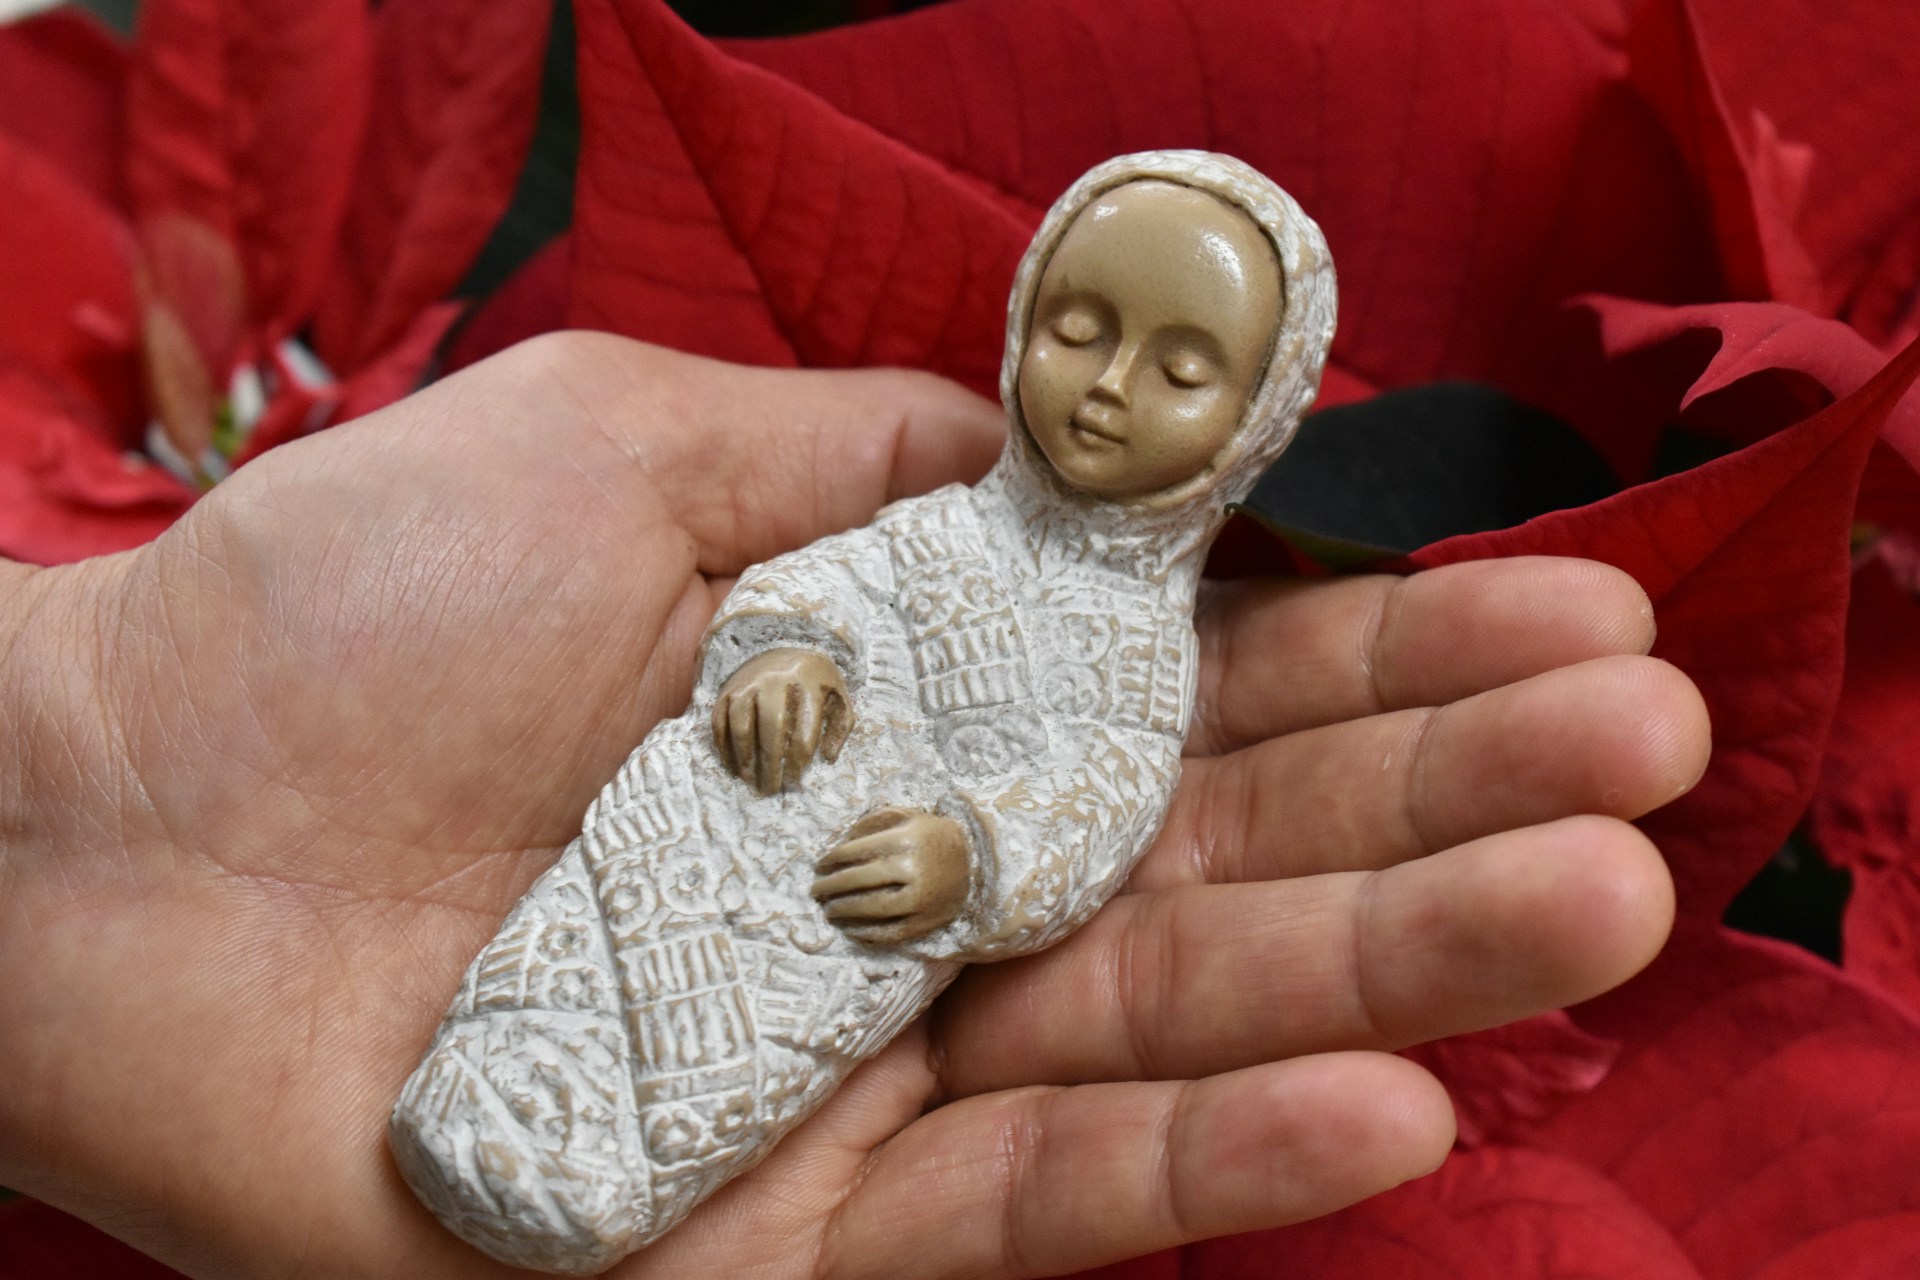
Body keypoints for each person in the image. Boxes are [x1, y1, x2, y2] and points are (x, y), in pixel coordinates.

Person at [0, 318, 1708, 1274]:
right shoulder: (937, 526)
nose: (1110, 386)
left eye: (1182, 367)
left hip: (843, 924)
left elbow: (1102, 794)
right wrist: (776, 656)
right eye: (1082, 328)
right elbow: (814, 592)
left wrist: (978, 859)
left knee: (700, 1054)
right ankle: (489, 1101)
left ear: (1250, 424)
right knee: (576, 960)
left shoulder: (1137, 647)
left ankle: (588, 1171)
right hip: (706, 812)